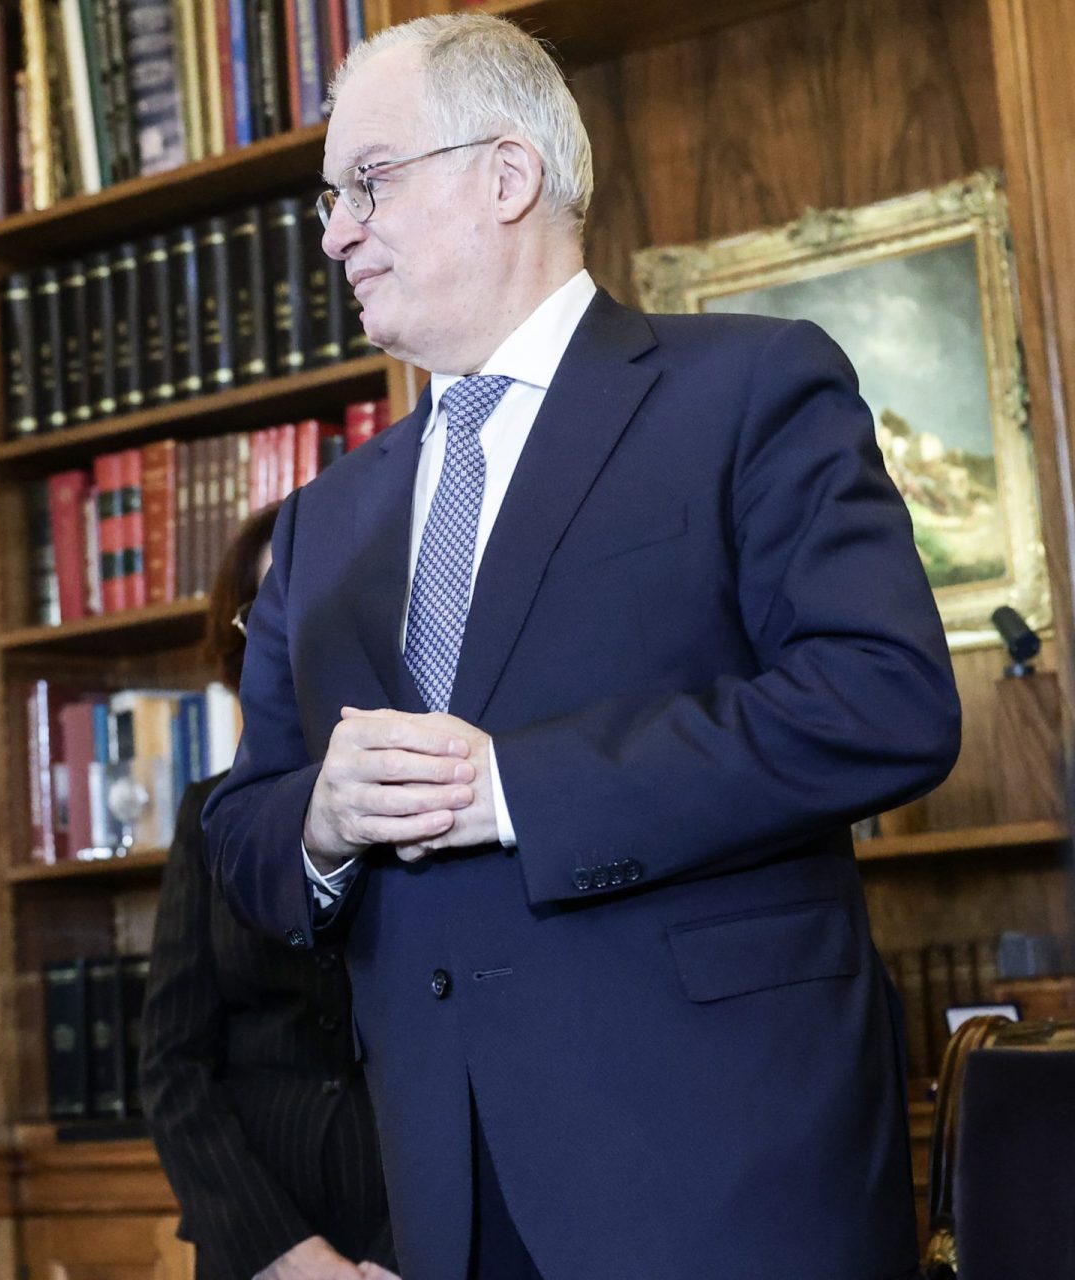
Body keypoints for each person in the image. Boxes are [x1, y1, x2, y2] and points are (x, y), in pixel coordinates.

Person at [201, 14, 960, 1280]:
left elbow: (882, 699)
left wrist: (514, 786)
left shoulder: (750, 389)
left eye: (368, 182)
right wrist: (322, 823)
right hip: (446, 1194)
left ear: (508, 175)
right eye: (330, 199)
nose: (334, 233)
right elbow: (244, 830)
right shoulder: (322, 521)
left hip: (725, 1172)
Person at [139, 505, 396, 1280]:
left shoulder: (429, 790)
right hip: (257, 1237)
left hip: (422, 1223)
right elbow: (174, 1064)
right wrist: (281, 1252)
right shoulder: (209, 815)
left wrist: (407, 1254)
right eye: (268, 615)